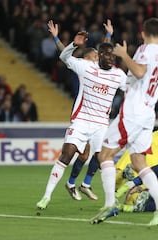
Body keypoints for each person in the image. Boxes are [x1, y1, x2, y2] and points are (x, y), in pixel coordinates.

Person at [90, 17, 158, 226]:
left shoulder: (145, 50)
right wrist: (153, 95)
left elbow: (139, 71)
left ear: (143, 34)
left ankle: (110, 204)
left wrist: (124, 54)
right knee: (139, 162)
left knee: (104, 155)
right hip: (148, 115)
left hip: (133, 112)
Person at [36, 27, 127, 210]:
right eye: (108, 56)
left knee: (104, 159)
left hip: (101, 125)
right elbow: (64, 58)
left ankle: (107, 200)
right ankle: (46, 197)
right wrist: (72, 44)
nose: (112, 59)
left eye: (114, 56)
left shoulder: (119, 75)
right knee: (67, 155)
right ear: (99, 56)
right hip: (81, 121)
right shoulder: (86, 67)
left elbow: (133, 91)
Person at [46, 19, 114, 201]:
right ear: (87, 59)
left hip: (97, 117)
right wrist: (56, 38)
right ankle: (75, 183)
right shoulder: (82, 67)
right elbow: (65, 54)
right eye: (95, 57)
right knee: (84, 155)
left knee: (91, 155)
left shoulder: (98, 69)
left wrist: (108, 35)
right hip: (83, 114)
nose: (98, 59)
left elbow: (104, 53)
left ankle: (81, 184)